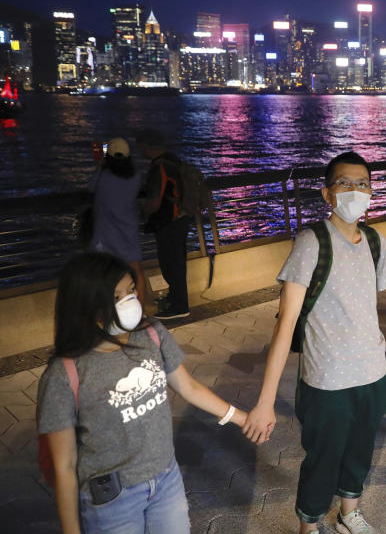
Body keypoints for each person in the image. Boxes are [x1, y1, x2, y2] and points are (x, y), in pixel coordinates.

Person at [242, 152, 386, 534]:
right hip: (327, 380)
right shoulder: (311, 242)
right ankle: (309, 525)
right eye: (345, 183)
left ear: (372, 192)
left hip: (373, 373)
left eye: (363, 184)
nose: (355, 191)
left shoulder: (374, 240)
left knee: (359, 450)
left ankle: (348, 514)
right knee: (323, 458)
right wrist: (266, 401)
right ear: (327, 194)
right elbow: (286, 322)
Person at [37, 252, 247, 534]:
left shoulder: (151, 334)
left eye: (131, 290)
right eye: (116, 297)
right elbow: (65, 465)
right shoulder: (64, 374)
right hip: (112, 499)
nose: (129, 302)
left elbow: (189, 387)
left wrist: (242, 418)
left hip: (166, 480)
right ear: (87, 306)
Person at [136, 129, 190, 320]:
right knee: (177, 263)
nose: (138, 148)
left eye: (140, 144)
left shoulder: (159, 167)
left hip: (169, 222)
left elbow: (154, 202)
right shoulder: (173, 160)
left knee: (170, 264)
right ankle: (177, 300)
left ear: (147, 146)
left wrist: (143, 214)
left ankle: (179, 306)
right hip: (183, 218)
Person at [88, 137, 147, 305]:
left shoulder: (104, 176)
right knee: (136, 271)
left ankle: (107, 312)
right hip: (128, 229)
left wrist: (99, 165)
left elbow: (90, 187)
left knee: (104, 273)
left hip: (106, 232)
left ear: (109, 157)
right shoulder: (136, 176)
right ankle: (140, 310)